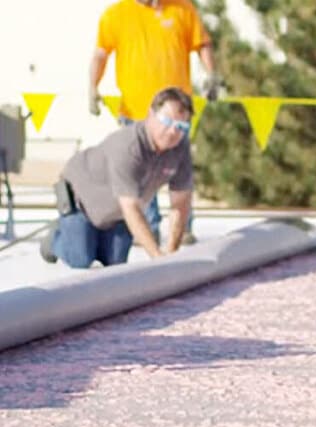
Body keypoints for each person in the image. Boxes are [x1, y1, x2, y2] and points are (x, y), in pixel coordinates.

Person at [88, 0, 221, 246]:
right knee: (139, 173)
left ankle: (183, 228)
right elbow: (100, 54)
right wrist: (92, 87)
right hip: (136, 111)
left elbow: (203, 44)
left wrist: (212, 75)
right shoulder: (116, 14)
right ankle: (147, 228)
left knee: (179, 170)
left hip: (177, 113)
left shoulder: (182, 9)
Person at [41, 88, 195, 268]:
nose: (172, 131)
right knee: (81, 259)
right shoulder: (129, 146)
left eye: (181, 127)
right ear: (150, 115)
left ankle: (90, 238)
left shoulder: (180, 148)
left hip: (116, 214)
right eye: (166, 121)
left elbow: (180, 203)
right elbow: (131, 207)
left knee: (115, 264)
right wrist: (157, 257)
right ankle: (56, 239)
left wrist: (171, 252)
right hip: (80, 201)